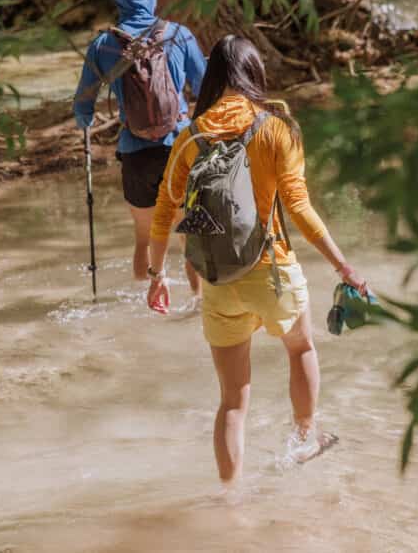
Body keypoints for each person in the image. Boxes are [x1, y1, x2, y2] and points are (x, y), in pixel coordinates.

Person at [145, 35, 368, 484]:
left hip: (218, 280)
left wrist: (157, 274)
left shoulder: (190, 137)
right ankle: (305, 439)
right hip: (272, 272)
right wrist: (342, 266)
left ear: (212, 77)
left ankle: (230, 499)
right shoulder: (276, 128)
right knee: (301, 348)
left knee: (232, 401)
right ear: (255, 73)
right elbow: (299, 207)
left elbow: (165, 211)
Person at [74, 0, 206, 292]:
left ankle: (147, 301)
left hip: (136, 153)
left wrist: (85, 123)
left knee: (144, 237)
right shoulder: (179, 35)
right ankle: (196, 305)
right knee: (189, 237)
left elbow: (83, 105)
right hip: (179, 150)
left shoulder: (103, 45)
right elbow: (205, 87)